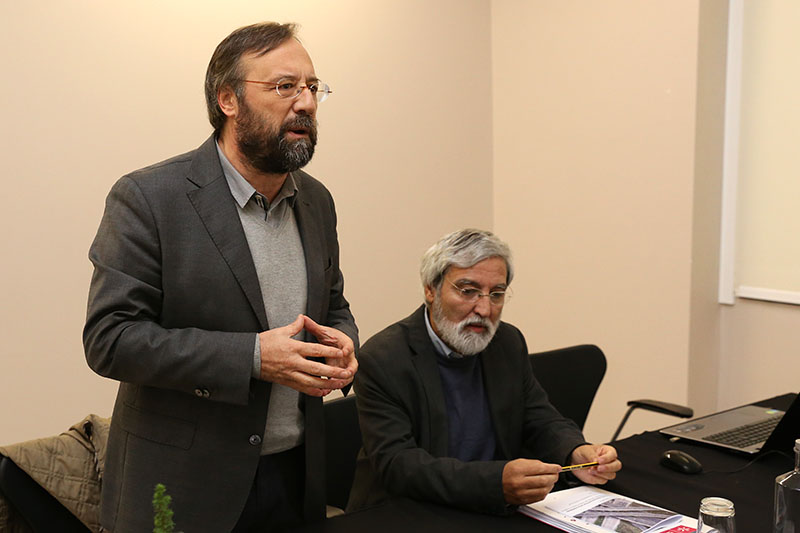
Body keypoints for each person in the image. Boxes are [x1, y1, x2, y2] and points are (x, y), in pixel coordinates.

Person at [83, 22, 358, 532]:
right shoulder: (149, 198)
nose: (306, 103)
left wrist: (342, 343)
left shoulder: (316, 200)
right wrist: (252, 357)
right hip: (186, 485)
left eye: (312, 87)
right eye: (284, 86)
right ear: (228, 99)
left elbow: (334, 305)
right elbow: (111, 340)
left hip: (295, 478)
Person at [347, 229, 621, 515]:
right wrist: (495, 482)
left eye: (497, 294)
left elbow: (538, 417)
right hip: (408, 510)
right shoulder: (384, 358)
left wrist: (576, 451)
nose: (485, 309)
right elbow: (399, 465)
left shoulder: (507, 342)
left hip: (490, 507)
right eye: (468, 291)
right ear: (431, 290)